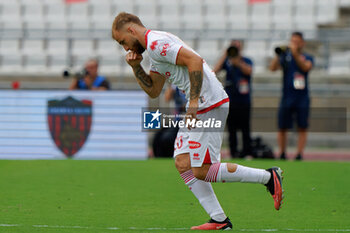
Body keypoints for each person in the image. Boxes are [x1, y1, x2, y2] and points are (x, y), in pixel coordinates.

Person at [112, 12, 284, 230]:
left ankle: (268, 177)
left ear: (131, 30)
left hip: (207, 103)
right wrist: (136, 67)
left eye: (123, 42)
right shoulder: (155, 50)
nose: (125, 48)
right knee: (183, 162)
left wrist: (193, 101)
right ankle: (219, 219)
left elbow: (195, 61)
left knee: (202, 170)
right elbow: (154, 90)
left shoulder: (157, 43)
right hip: (200, 104)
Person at [269, 32, 314, 161]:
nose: (294, 43)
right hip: (287, 96)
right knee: (282, 126)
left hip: (302, 97)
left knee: (302, 126)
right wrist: (278, 55)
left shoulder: (307, 57)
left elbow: (305, 68)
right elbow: (272, 68)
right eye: (292, 41)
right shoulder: (286, 57)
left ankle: (299, 154)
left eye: (297, 41)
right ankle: (282, 153)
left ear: (302, 43)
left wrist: (295, 54)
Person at [214, 40, 253, 158]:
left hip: (244, 100)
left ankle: (247, 152)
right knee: (231, 128)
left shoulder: (246, 60)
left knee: (245, 127)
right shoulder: (227, 61)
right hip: (230, 100)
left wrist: (238, 62)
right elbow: (215, 71)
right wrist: (225, 55)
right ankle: (233, 152)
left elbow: (249, 71)